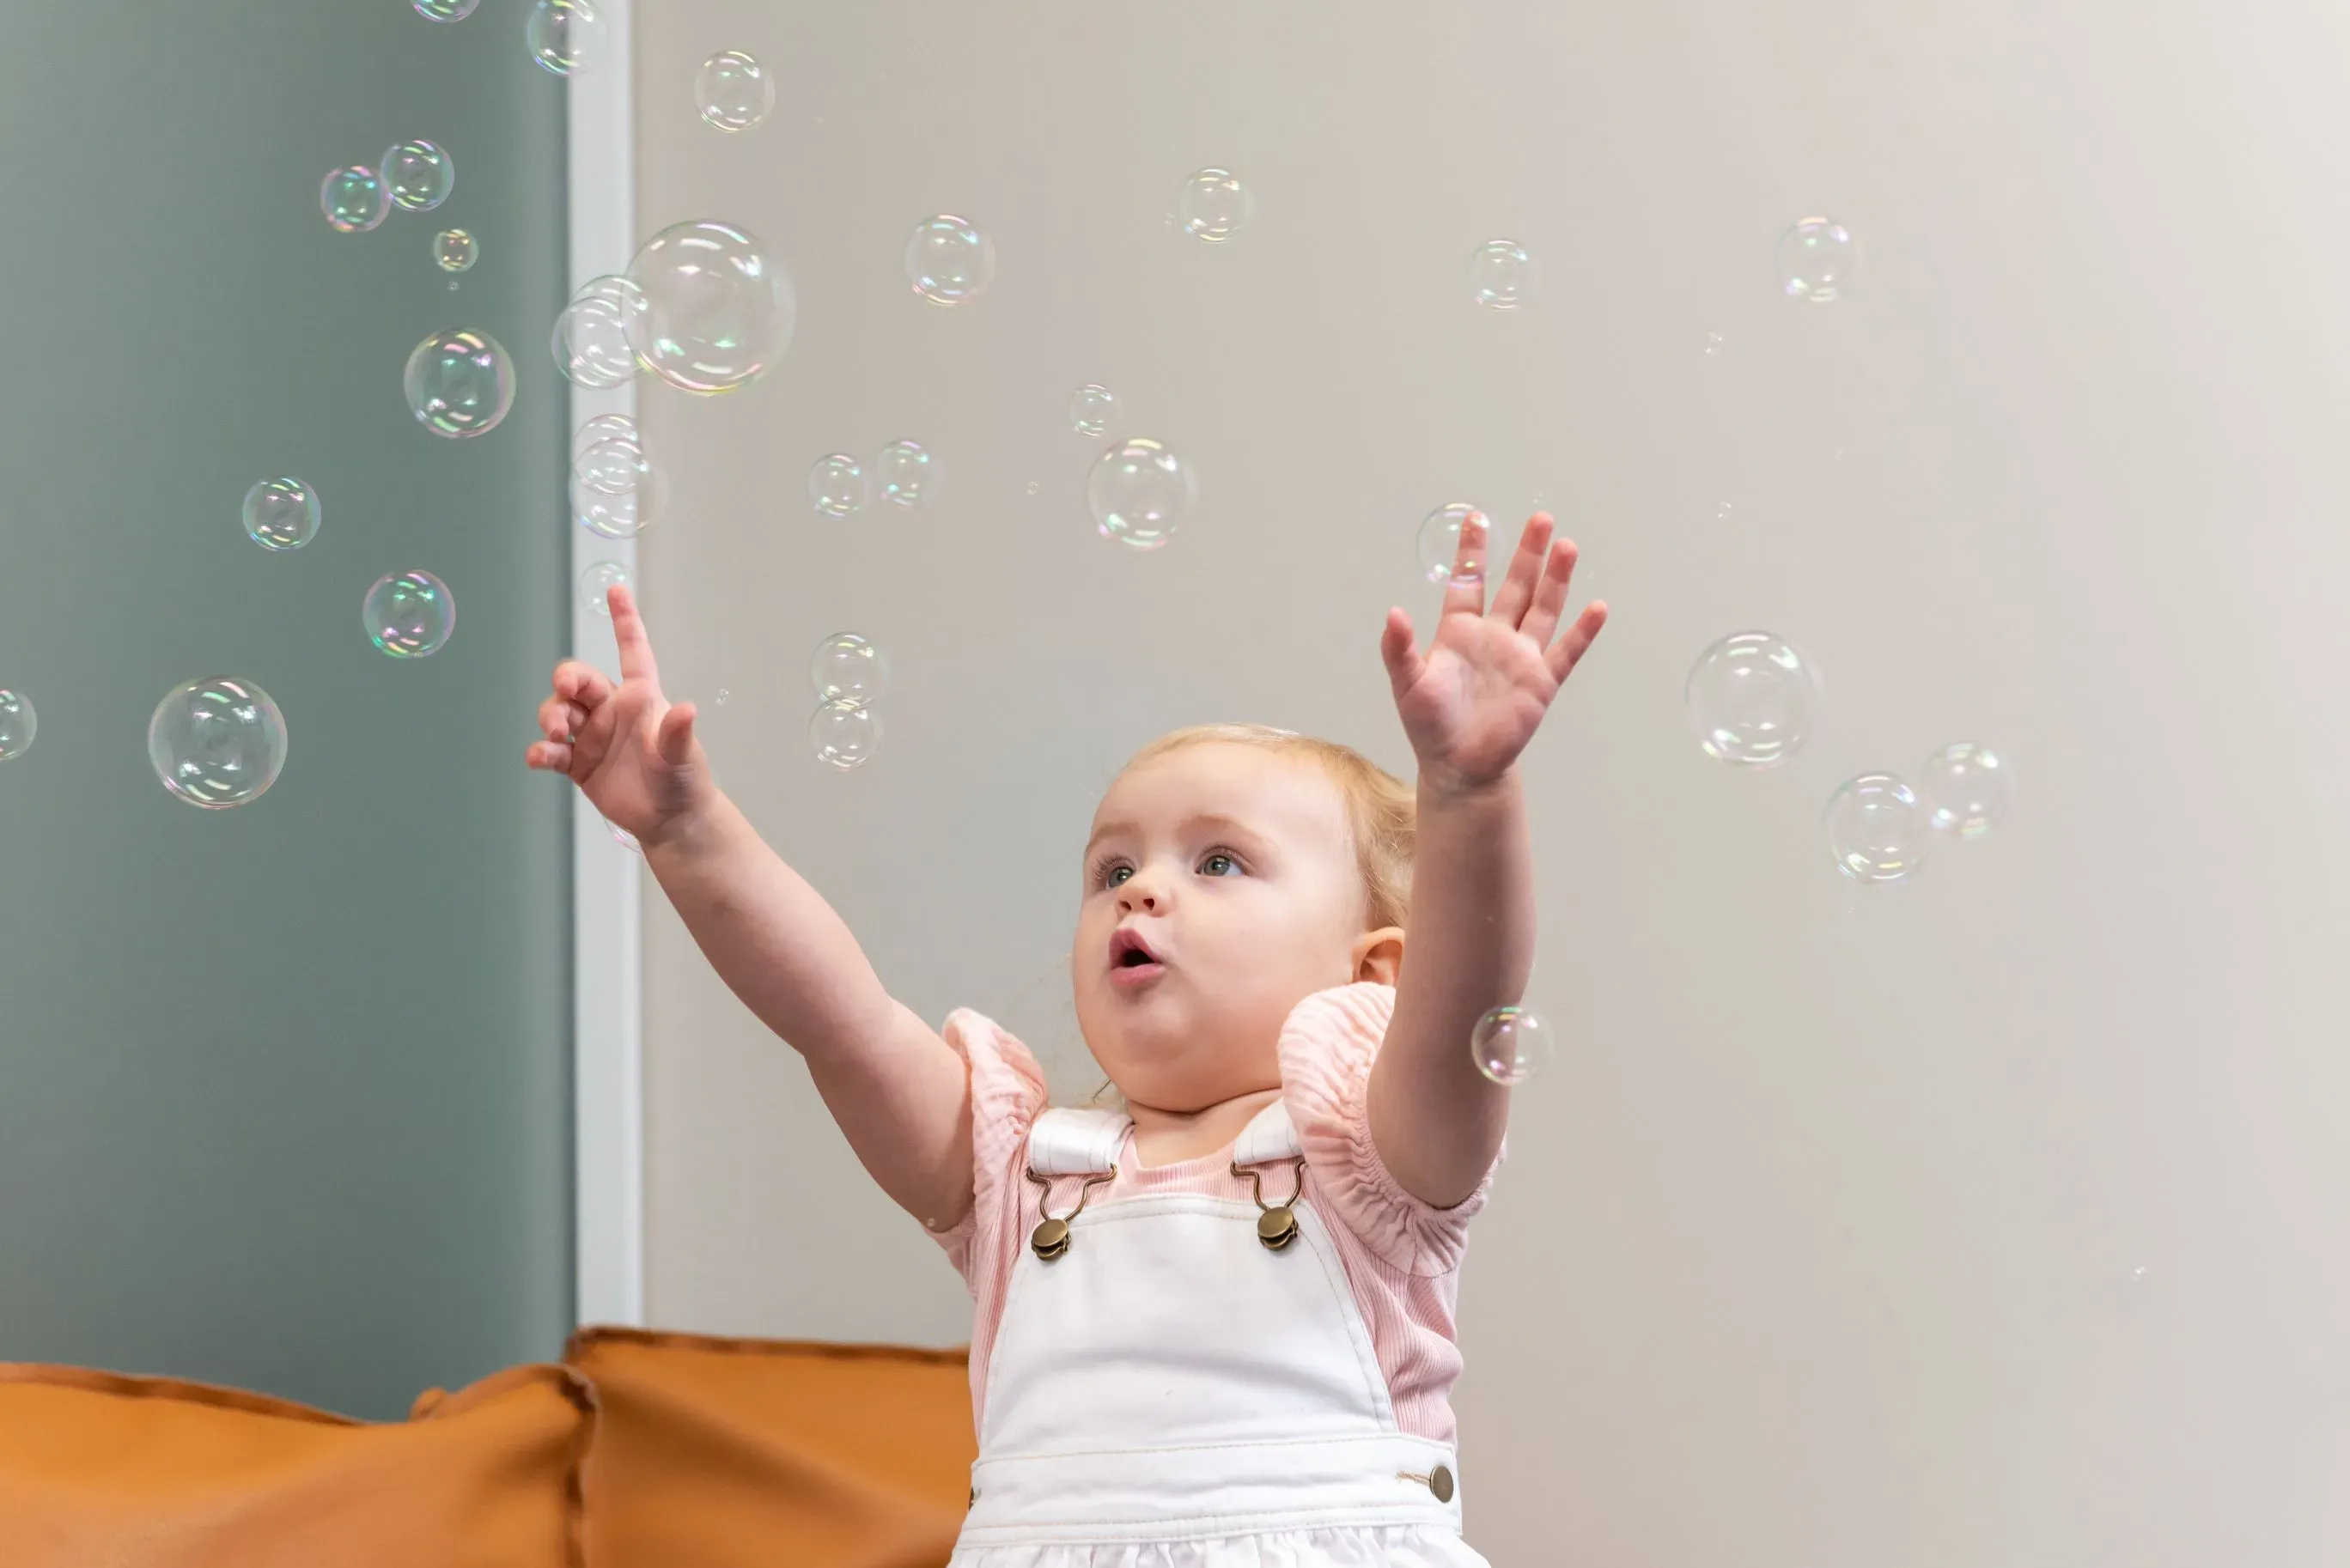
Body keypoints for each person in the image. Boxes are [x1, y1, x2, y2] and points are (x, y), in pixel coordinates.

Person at [527, 511, 1607, 1565]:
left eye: (1219, 861)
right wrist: (686, 832)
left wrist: (1468, 792)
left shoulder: (1378, 1166)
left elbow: (1469, 996)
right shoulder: (1016, 1177)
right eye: (1113, 867)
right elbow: (837, 1019)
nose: (1143, 890)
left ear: (1372, 972)